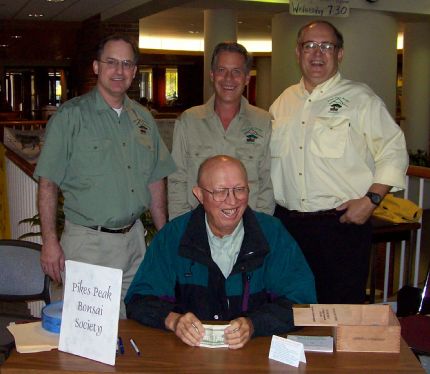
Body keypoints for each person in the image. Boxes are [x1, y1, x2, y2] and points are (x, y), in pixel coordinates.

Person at [33, 34, 176, 318]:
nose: (119, 71)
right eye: (111, 62)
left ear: (134, 72)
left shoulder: (143, 119)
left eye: (126, 64)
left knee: (133, 321)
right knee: (88, 330)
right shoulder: (70, 117)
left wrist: (163, 237)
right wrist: (49, 241)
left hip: (135, 241)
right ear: (97, 67)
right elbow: (48, 183)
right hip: (89, 244)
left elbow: (155, 180)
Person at [269, 20, 408, 304]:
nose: (317, 53)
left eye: (326, 46)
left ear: (339, 53)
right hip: (288, 227)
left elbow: (393, 150)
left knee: (339, 311)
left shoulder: (361, 99)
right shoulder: (282, 103)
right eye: (309, 45)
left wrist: (370, 200)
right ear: (298, 53)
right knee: (289, 306)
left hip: (340, 226)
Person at [125, 155, 316, 349]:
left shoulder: (272, 234)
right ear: (199, 195)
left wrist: (254, 324)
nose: (232, 201)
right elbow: (139, 299)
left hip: (255, 354)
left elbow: (302, 303)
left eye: (239, 190)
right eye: (220, 192)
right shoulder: (173, 237)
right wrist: (173, 321)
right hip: (187, 356)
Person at [168, 42, 274, 220]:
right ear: (212, 75)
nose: (228, 78)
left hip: (247, 225)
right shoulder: (189, 121)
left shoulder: (263, 122)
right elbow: (177, 179)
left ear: (247, 78)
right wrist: (181, 226)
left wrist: (259, 226)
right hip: (197, 226)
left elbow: (267, 183)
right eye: (222, 70)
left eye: (236, 71)